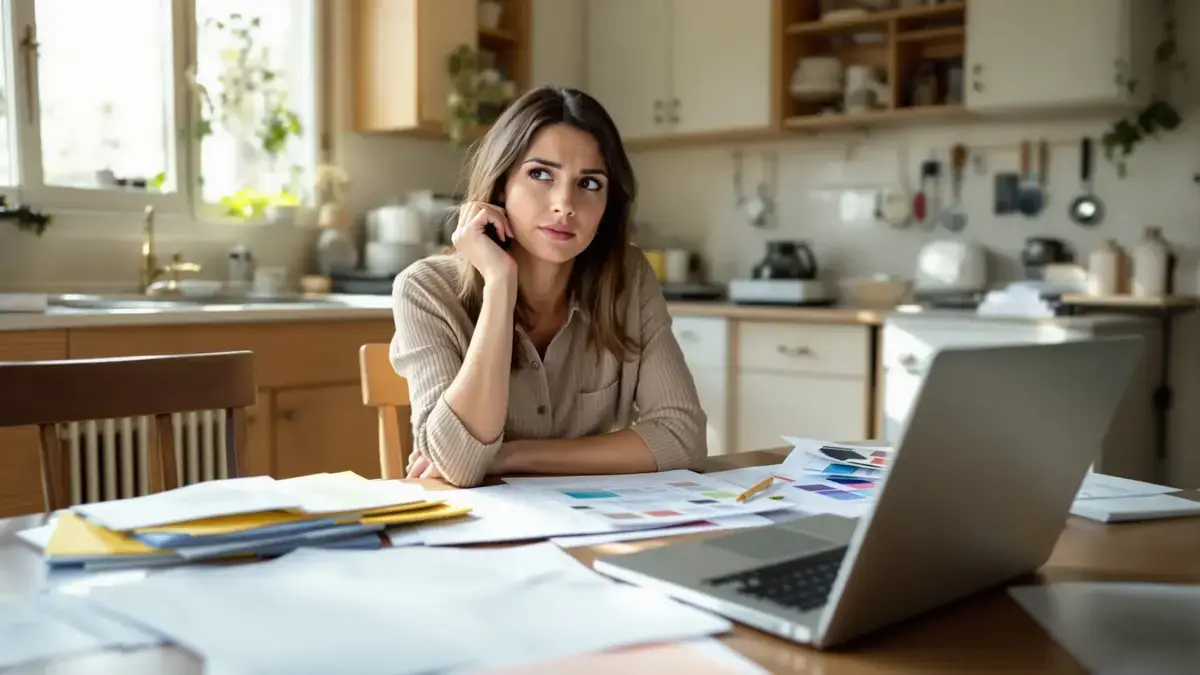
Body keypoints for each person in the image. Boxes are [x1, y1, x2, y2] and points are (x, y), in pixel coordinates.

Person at [390, 85, 707, 487]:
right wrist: (500, 284)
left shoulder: (628, 277)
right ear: (502, 183)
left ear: (609, 203)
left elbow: (683, 439)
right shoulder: (425, 290)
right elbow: (458, 465)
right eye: (540, 174)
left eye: (589, 183)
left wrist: (508, 456)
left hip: (593, 526)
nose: (565, 204)